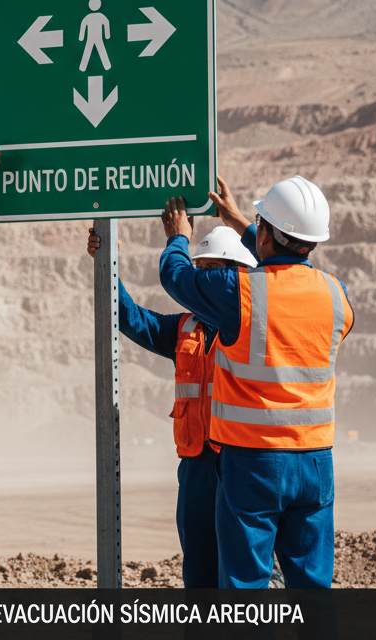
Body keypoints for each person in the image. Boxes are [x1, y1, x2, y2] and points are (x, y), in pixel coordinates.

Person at [159, 175, 354, 590]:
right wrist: (240, 221)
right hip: (316, 461)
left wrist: (178, 238)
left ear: (265, 233)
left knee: (245, 587)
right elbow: (281, 259)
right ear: (312, 241)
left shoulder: (240, 293)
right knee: (313, 591)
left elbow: (175, 277)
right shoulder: (336, 296)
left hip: (255, 462)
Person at [86, 224, 256, 588]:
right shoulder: (183, 329)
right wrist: (107, 264)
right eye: (201, 270)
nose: (203, 280)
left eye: (214, 270)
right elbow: (129, 318)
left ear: (241, 275)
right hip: (196, 468)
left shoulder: (258, 326)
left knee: (244, 569)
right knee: (199, 567)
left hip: (243, 464)